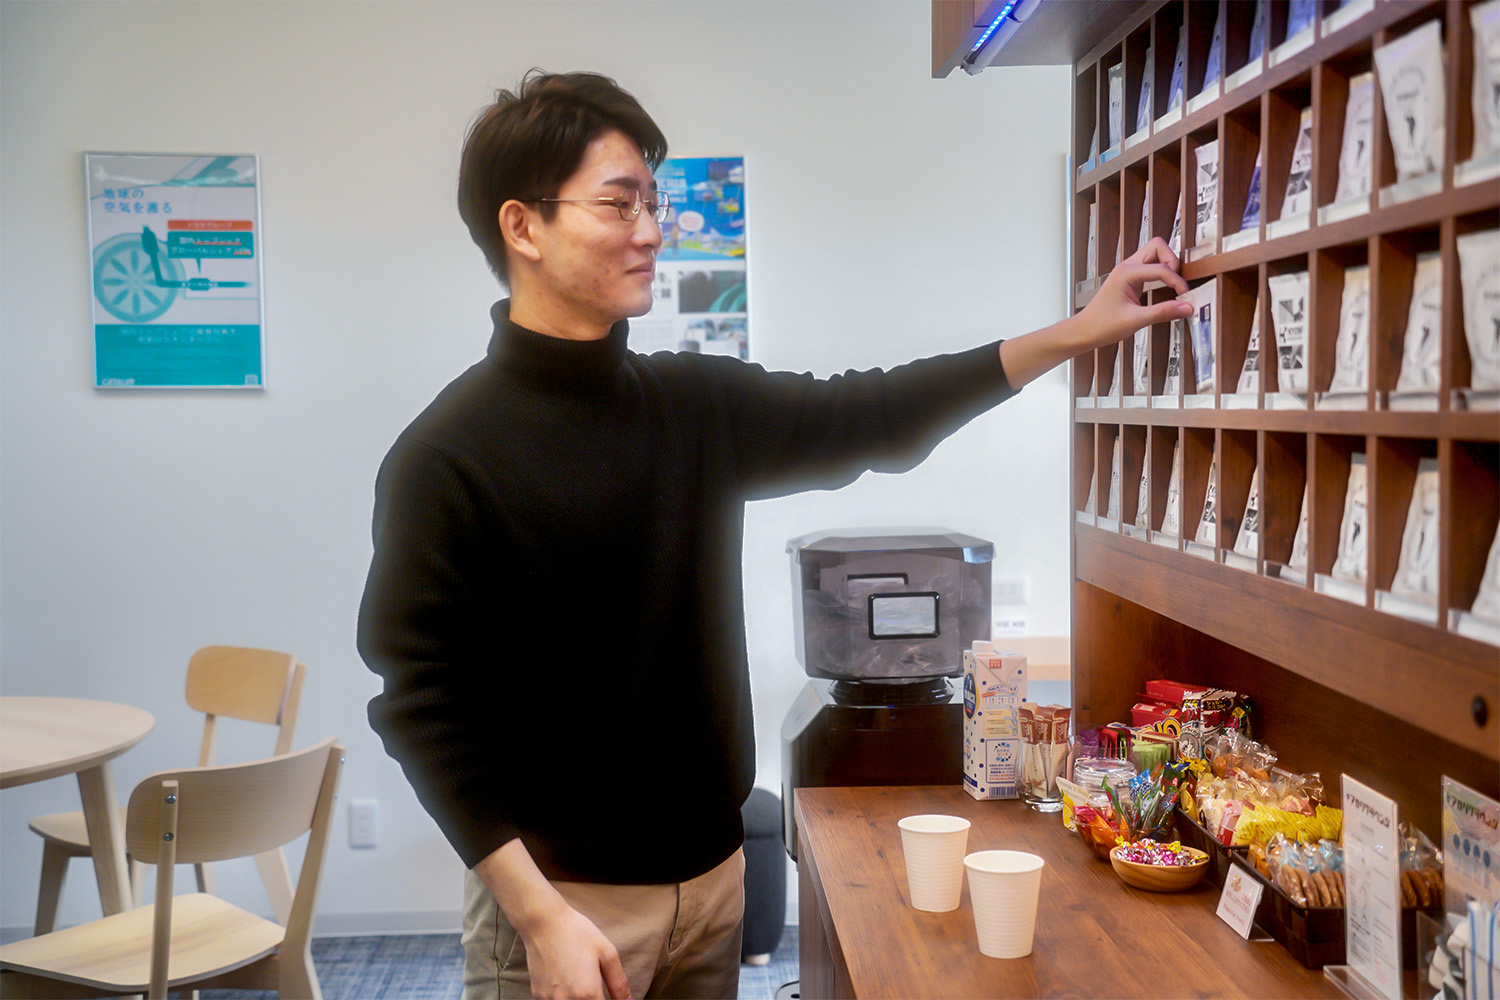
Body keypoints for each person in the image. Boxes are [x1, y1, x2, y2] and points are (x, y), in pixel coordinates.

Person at [357, 69, 1190, 1000]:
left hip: (713, 883)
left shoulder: (692, 404)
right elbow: (420, 706)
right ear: (523, 227)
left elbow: (873, 411)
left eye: (652, 200)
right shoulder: (447, 456)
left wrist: (1075, 334)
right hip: (565, 907)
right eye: (617, 202)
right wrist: (538, 914)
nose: (650, 229)